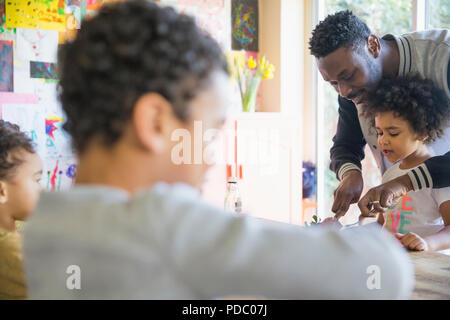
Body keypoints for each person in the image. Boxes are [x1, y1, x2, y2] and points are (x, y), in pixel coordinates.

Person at [23, 0, 413, 299]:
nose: (209, 160)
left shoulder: (48, 226)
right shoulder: (160, 227)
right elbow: (385, 271)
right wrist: (351, 237)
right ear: (155, 123)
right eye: (206, 135)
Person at [308, 10, 450, 219]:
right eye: (334, 84)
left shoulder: (443, 57)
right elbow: (345, 145)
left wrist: (404, 182)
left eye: (347, 76)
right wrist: (350, 173)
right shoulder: (352, 90)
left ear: (372, 45)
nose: (344, 91)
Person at [361, 76, 450, 253]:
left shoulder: (439, 176)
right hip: (394, 263)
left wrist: (426, 243)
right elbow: (383, 223)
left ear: (422, 132)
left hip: (426, 266)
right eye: (379, 132)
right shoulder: (390, 176)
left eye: (393, 133)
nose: (383, 140)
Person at [0, 120, 43, 299]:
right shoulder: (11, 251)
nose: (44, 190)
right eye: (36, 180)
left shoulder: (14, 229)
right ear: (2, 191)